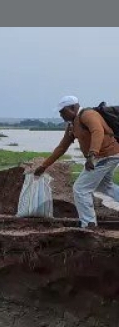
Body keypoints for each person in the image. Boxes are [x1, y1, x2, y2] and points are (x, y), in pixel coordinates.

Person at [35, 95, 119, 228]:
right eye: (60, 112)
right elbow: (62, 147)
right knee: (105, 186)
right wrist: (44, 166)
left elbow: (98, 132)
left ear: (73, 108)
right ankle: (88, 221)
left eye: (63, 111)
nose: (61, 115)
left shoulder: (88, 115)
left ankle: (88, 223)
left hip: (105, 156)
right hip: (107, 156)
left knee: (80, 189)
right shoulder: (72, 125)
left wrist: (92, 156)